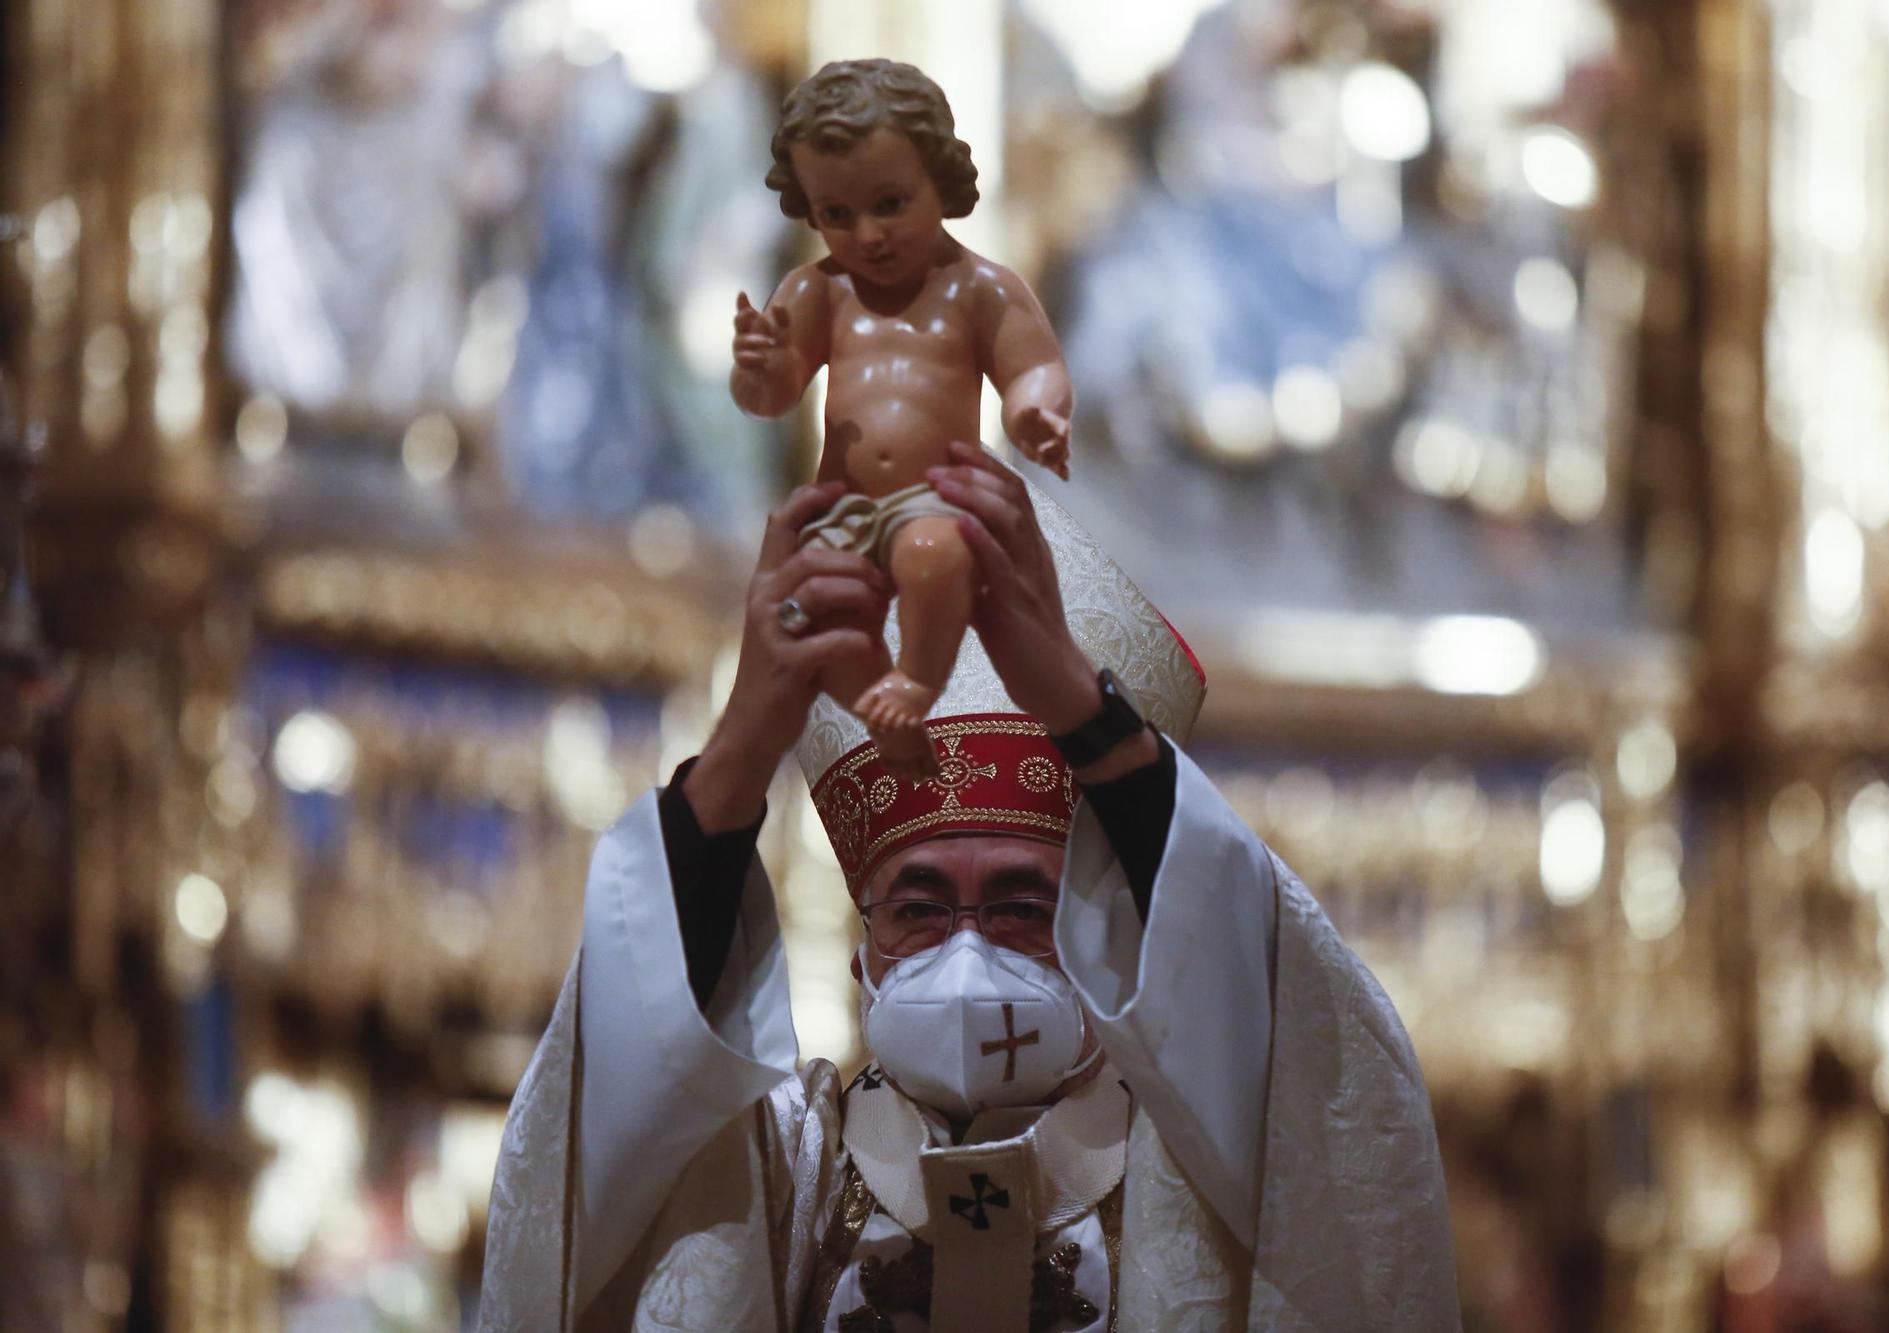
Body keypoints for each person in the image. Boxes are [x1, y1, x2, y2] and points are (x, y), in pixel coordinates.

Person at [478, 445, 1460, 1330]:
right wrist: (739, 751)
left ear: (1110, 937)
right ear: (863, 951)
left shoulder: (1202, 1172)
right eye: (916, 907)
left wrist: (1089, 719)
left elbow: (1336, 1105)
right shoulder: (782, 1174)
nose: (967, 950)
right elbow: (597, 1132)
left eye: (1022, 908)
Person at [730, 60, 1073, 777]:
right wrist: (761, 366)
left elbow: (1031, 361)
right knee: (815, 603)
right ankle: (876, 713)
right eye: (837, 215)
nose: (868, 236)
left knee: (933, 557)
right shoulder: (819, 291)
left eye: (890, 203)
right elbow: (774, 397)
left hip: (936, 498)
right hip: (843, 501)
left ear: (941, 182)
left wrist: (1035, 408)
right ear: (809, 208)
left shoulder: (979, 289)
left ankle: (915, 681)